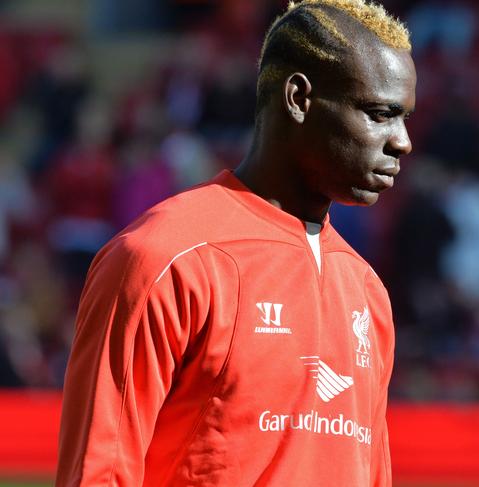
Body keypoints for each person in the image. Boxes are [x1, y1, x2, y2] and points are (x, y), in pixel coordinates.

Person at [55, 1, 416, 485]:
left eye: (405, 117)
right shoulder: (164, 258)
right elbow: (99, 471)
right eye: (380, 113)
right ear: (299, 98)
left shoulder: (367, 292)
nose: (403, 141)